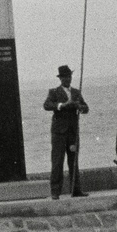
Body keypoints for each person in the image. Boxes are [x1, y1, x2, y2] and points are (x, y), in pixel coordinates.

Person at [43, 63, 89, 198]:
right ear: (60, 79)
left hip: (73, 132)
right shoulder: (54, 92)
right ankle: (55, 192)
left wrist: (80, 107)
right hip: (59, 133)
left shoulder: (76, 92)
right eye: (64, 77)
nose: (67, 79)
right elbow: (47, 105)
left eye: (68, 76)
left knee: (74, 161)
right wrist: (62, 105)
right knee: (57, 161)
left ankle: (76, 190)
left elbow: (86, 108)